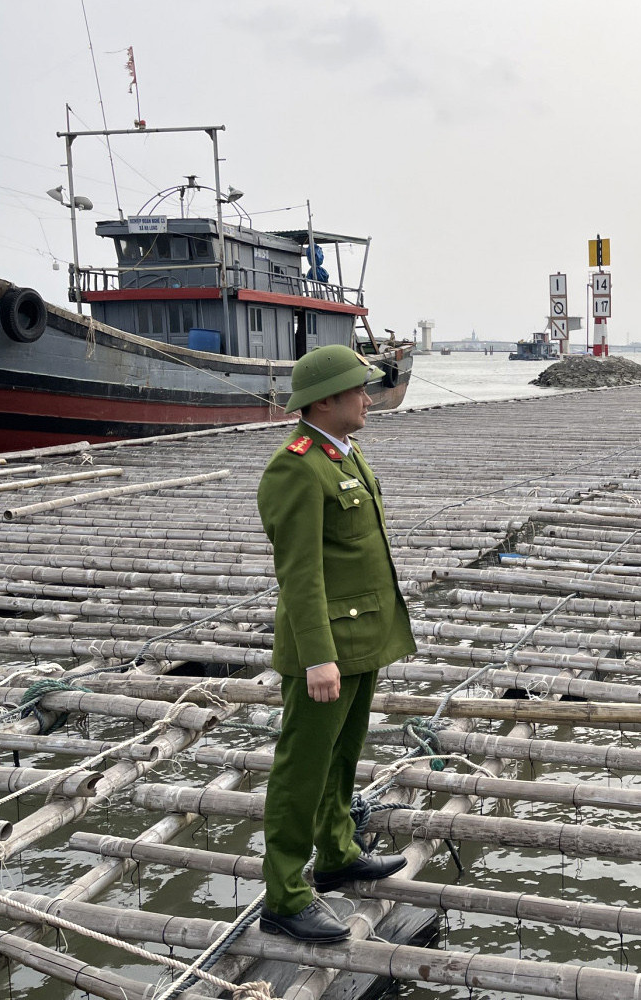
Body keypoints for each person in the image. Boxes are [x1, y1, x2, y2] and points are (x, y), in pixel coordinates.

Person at [256, 344, 417, 942]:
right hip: (325, 649)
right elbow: (300, 573)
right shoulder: (297, 466)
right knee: (303, 769)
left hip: (362, 639)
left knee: (342, 758)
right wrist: (319, 655)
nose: (367, 398)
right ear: (325, 400)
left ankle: (337, 854)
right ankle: (285, 894)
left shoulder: (344, 456)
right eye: (357, 390)